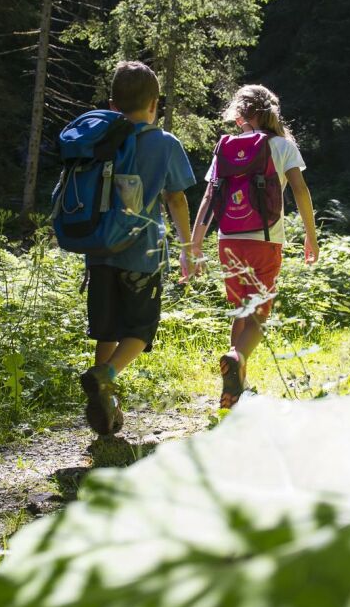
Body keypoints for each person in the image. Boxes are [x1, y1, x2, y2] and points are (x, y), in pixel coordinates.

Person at [78, 61, 197, 435]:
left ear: (113, 105)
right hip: (142, 254)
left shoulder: (99, 140)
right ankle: (105, 375)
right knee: (141, 329)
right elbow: (176, 198)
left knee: (107, 329)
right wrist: (188, 247)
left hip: (99, 251)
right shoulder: (164, 143)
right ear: (154, 104)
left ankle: (105, 406)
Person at [191, 84, 318, 409]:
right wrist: (310, 234)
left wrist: (195, 242)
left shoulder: (226, 148)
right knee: (259, 316)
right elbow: (300, 191)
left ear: (239, 116)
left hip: (228, 240)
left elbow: (209, 196)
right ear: (271, 113)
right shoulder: (283, 146)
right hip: (264, 241)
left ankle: (238, 387)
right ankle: (236, 358)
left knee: (241, 310)